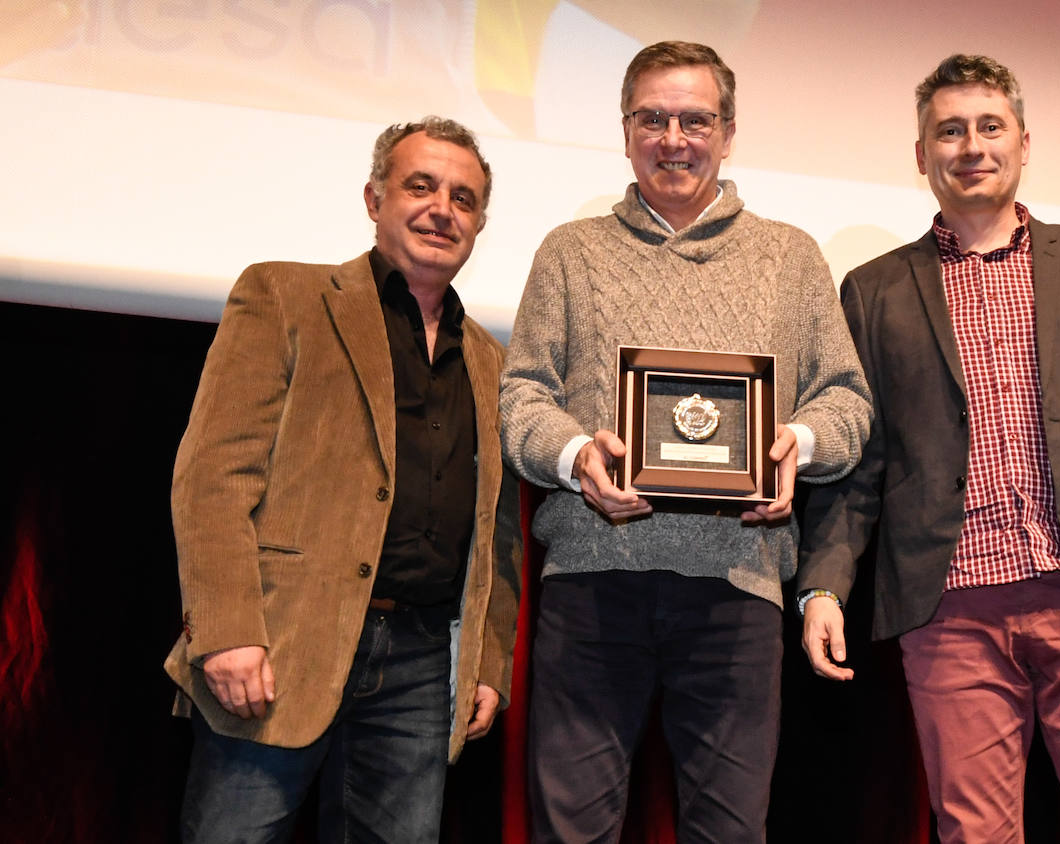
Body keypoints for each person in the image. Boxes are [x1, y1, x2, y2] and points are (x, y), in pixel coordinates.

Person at [798, 55, 1060, 843]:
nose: (972, 146)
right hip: (949, 608)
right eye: (949, 131)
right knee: (975, 836)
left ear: (1023, 142)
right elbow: (859, 470)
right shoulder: (874, 289)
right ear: (921, 155)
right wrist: (822, 588)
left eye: (989, 127)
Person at [499, 40, 872, 844]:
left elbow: (846, 402)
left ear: (728, 132)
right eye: (654, 118)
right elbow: (522, 397)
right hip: (593, 579)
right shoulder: (571, 253)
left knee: (731, 833)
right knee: (571, 831)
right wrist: (576, 458)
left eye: (695, 120)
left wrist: (792, 448)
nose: (675, 137)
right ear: (626, 130)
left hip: (737, 585)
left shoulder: (792, 256)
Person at [163, 116, 521, 843]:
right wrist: (227, 631)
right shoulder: (285, 298)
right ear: (373, 198)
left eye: (462, 198)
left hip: (424, 663)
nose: (440, 209)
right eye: (420, 186)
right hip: (282, 643)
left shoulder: (492, 361)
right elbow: (213, 476)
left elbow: (498, 529)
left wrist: (487, 660)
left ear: (479, 223)